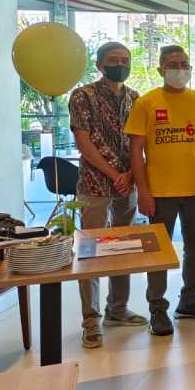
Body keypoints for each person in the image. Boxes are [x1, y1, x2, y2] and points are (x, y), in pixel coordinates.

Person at [126, 45, 195, 336]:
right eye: (172, 64)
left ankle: (189, 300)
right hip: (159, 192)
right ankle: (157, 308)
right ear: (160, 69)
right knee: (158, 253)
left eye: (184, 64)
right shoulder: (147, 103)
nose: (179, 69)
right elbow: (136, 151)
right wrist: (143, 191)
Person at [68, 42, 147, 349]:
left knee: (123, 247)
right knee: (90, 252)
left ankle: (118, 308)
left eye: (125, 60)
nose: (120, 64)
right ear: (99, 64)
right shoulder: (83, 96)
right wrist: (115, 174)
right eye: (113, 60)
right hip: (95, 185)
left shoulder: (135, 97)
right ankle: (91, 320)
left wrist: (131, 176)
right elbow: (83, 142)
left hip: (128, 184)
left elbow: (139, 143)